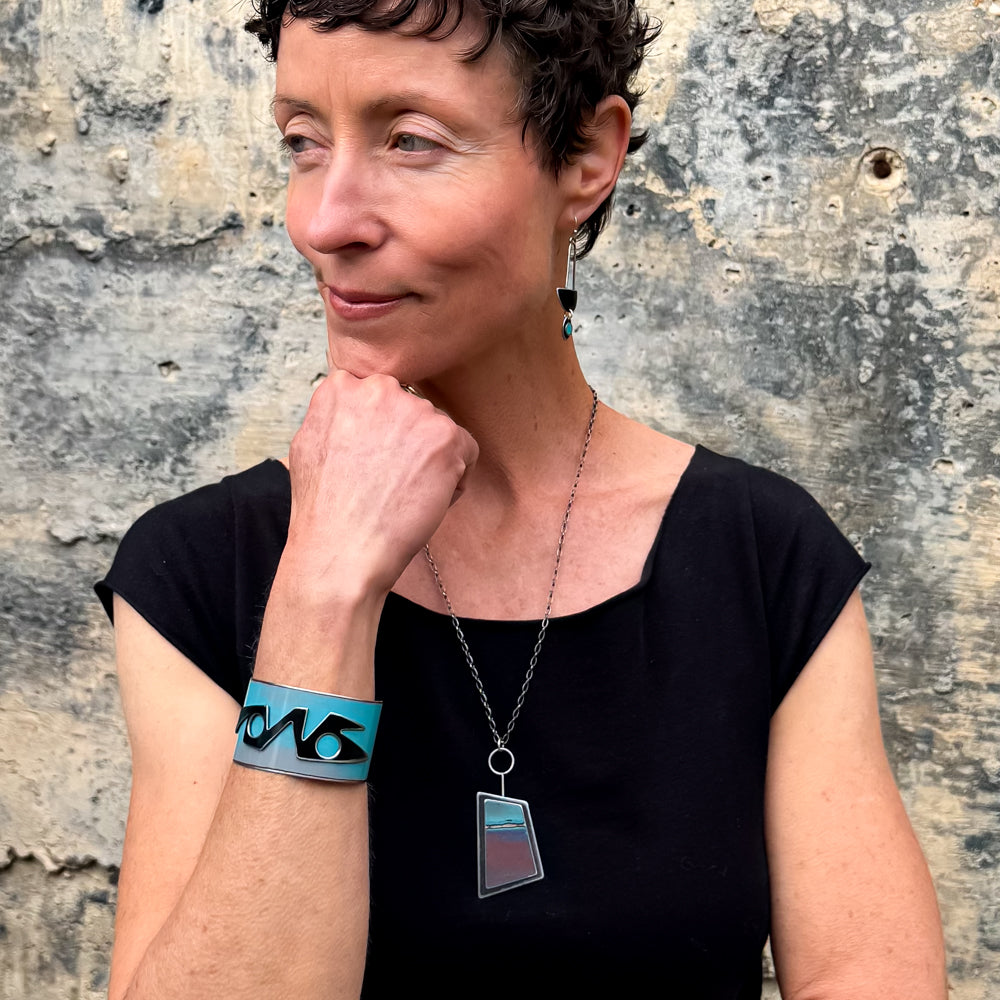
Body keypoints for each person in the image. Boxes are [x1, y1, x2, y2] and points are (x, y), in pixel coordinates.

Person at [96, 1, 947, 997]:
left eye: (412, 140)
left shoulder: (761, 558)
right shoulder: (199, 574)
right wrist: (325, 591)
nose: (324, 220)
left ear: (586, 155)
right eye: (304, 142)